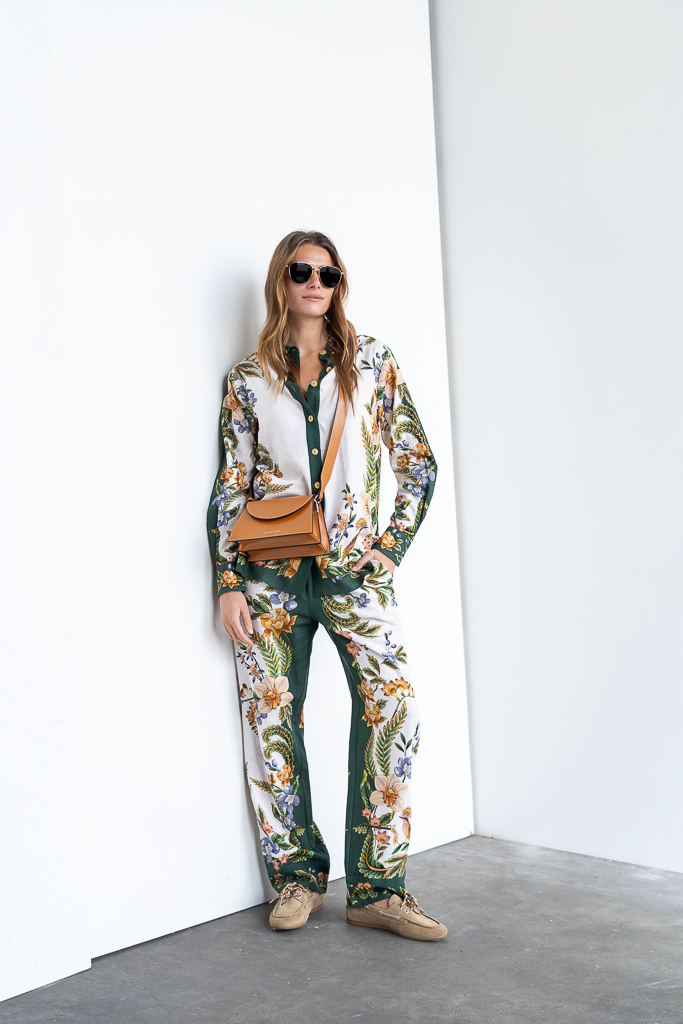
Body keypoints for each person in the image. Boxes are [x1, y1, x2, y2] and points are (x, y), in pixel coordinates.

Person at [207, 230, 446, 941]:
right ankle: (297, 878)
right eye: (301, 271)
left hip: (354, 577)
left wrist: (389, 549)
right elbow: (232, 484)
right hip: (269, 580)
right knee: (271, 724)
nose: (316, 282)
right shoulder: (247, 378)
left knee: (394, 708)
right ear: (280, 281)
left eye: (328, 273)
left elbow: (419, 463)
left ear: (340, 284)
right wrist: (227, 581)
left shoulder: (371, 362)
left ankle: (377, 888)